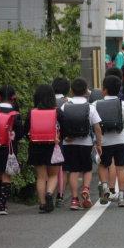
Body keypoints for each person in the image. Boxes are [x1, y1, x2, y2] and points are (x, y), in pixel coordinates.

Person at [60, 78, 103, 210]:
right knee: (87, 169)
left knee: (73, 171)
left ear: (71, 91)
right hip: (86, 143)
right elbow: (97, 128)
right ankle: (85, 188)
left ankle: (74, 200)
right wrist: (99, 144)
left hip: (68, 144)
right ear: (86, 91)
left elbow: (59, 125)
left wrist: (65, 137)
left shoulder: (64, 106)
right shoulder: (90, 107)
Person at [94, 75, 124, 207]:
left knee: (103, 165)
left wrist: (96, 142)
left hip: (104, 142)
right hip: (121, 141)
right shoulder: (123, 105)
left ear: (104, 90)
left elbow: (93, 125)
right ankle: (121, 197)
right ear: (119, 90)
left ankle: (105, 188)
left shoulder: (96, 104)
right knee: (121, 169)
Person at [24, 85, 62, 214]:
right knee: (53, 175)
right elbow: (65, 128)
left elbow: (25, 131)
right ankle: (50, 193)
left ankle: (42, 204)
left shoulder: (32, 112)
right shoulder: (57, 112)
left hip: (36, 147)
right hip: (53, 147)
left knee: (40, 177)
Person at [0, 85, 24, 215]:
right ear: (14, 98)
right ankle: (2, 206)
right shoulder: (16, 114)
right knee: (6, 175)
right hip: (9, 147)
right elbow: (20, 133)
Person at [52, 77, 71, 208]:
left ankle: (49, 193)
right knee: (62, 168)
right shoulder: (68, 102)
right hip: (63, 139)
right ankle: (60, 194)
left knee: (50, 168)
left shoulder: (47, 100)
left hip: (47, 138)